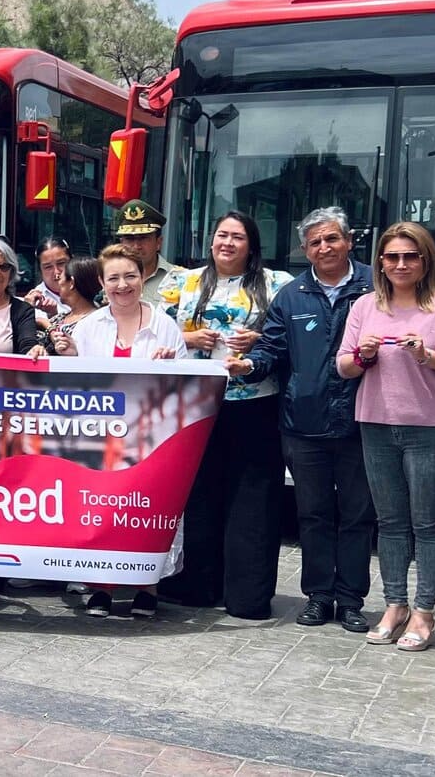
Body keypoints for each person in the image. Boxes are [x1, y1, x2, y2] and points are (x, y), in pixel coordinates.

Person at [336, 222, 435, 652]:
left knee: (428, 522)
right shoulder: (365, 305)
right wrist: (363, 355)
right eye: (392, 256)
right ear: (380, 261)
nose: (401, 264)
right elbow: (343, 366)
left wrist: (427, 355)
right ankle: (395, 604)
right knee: (390, 521)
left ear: (425, 260)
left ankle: (424, 610)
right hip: (376, 423)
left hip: (433, 428)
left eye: (410, 256)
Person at [233, 208, 375, 633]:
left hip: (362, 421)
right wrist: (249, 366)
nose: (324, 248)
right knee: (313, 515)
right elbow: (271, 348)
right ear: (304, 249)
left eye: (332, 239)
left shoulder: (375, 286)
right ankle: (318, 596)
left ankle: (350, 600)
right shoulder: (292, 295)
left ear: (349, 241)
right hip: (303, 424)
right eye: (315, 242)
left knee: (357, 516)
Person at [159, 212, 294, 619]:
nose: (228, 243)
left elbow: (287, 337)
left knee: (253, 499)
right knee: (200, 495)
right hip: (197, 402)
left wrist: (259, 338)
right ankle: (198, 586)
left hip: (255, 402)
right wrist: (190, 337)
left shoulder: (276, 284)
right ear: (211, 240)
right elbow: (157, 332)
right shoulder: (183, 282)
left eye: (238, 237)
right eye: (222, 235)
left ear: (251, 246)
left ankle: (247, 596)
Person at [63, 244, 184, 618]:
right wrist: (60, 355)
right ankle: (101, 586)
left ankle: (147, 586)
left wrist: (170, 366)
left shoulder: (165, 326)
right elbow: (76, 384)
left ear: (143, 277)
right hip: (101, 439)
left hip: (152, 439)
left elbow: (186, 387)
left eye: (130, 276)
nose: (122, 285)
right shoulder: (88, 327)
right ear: (101, 283)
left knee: (147, 510)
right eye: (113, 278)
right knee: (102, 512)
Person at [114, 199, 180, 303]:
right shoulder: (109, 279)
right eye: (130, 239)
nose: (136, 246)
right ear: (121, 243)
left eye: (143, 238)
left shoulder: (179, 279)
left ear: (158, 242)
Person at [43, 257, 104, 354]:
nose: (58, 283)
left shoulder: (95, 323)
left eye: (60, 278)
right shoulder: (62, 317)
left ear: (71, 283)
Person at [24, 237, 72, 320]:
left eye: (61, 263)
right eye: (48, 267)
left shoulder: (86, 288)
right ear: (40, 270)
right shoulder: (37, 300)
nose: (56, 272)